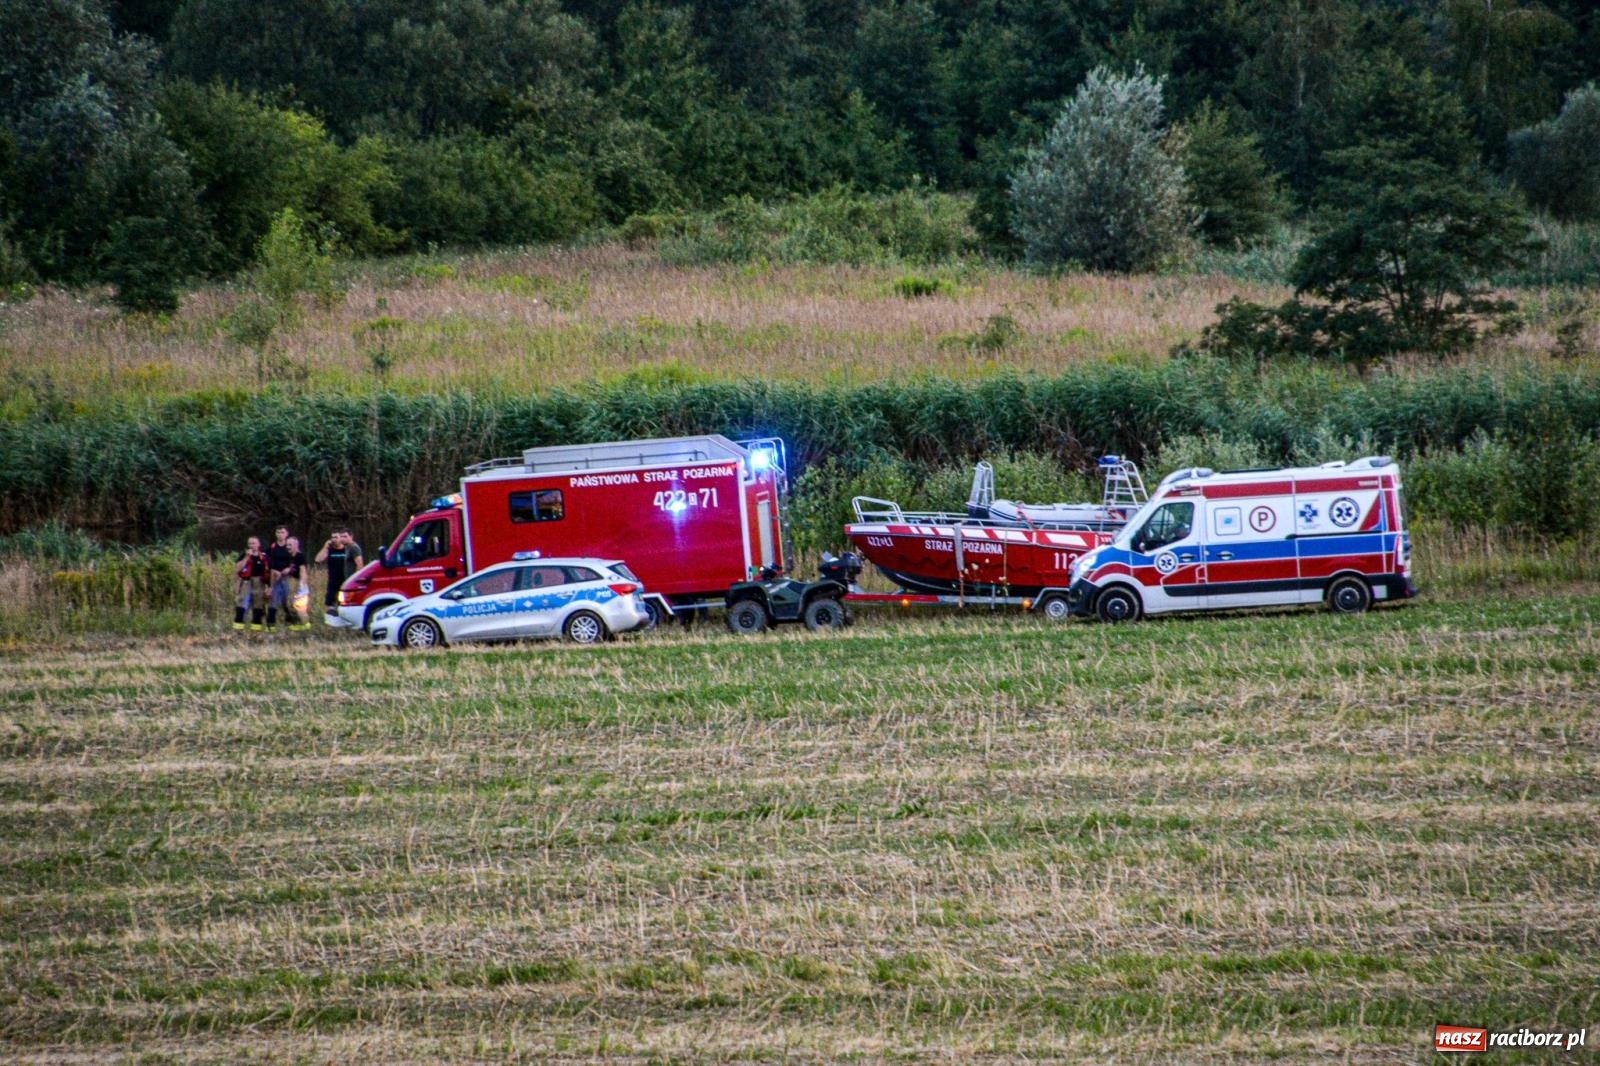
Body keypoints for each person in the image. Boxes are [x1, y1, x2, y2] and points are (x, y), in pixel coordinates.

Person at [315, 528, 364, 622]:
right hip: (333, 581)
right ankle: (332, 623)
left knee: (345, 605)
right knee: (330, 605)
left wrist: (356, 580)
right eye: (332, 537)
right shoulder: (330, 550)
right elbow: (318, 560)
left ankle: (347, 622)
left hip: (346, 581)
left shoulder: (349, 548)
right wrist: (325, 547)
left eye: (337, 537)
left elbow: (359, 564)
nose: (335, 539)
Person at [264, 525, 307, 631]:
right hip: (276, 579)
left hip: (289, 579)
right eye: (278, 532)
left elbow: (298, 563)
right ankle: (270, 626)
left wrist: (292, 572)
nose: (280, 534)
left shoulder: (290, 547)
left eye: (282, 532)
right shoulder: (272, 548)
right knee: (273, 602)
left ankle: (293, 623)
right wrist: (269, 584)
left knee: (288, 603)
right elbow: (267, 565)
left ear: (287, 534)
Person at [233, 536, 269, 631]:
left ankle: (256, 632)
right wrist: (246, 557)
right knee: (241, 606)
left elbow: (268, 572)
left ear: (258, 544)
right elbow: (237, 569)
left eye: (254, 543)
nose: (251, 545)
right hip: (246, 582)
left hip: (259, 583)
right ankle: (238, 631)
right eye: (250, 543)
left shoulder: (264, 556)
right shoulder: (244, 555)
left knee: (258, 607)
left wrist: (269, 587)